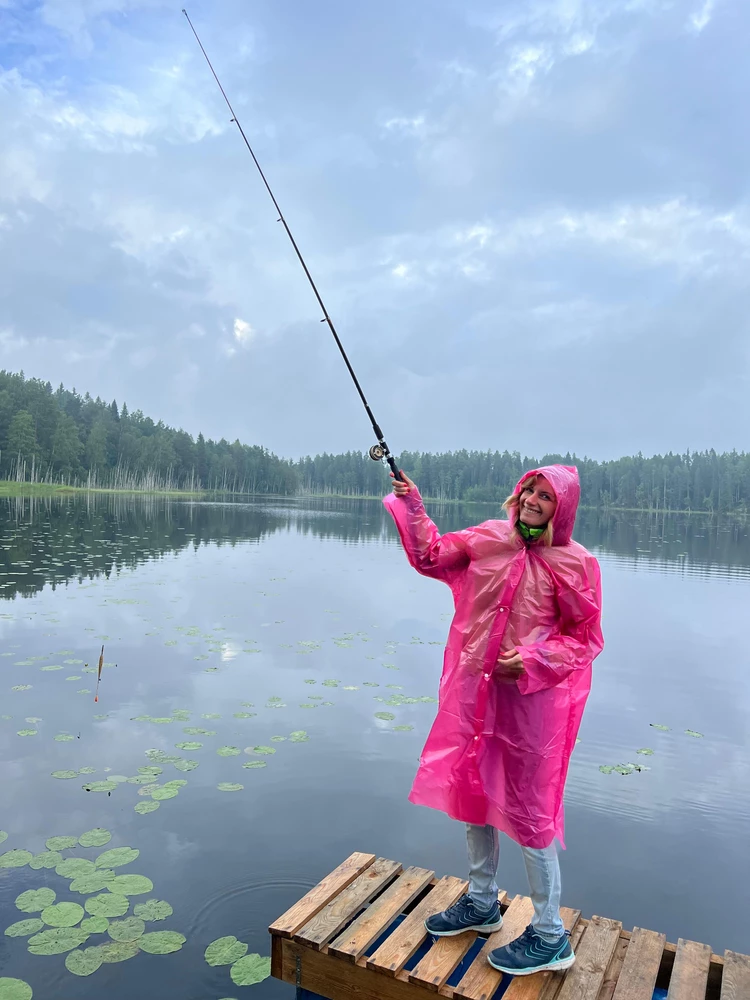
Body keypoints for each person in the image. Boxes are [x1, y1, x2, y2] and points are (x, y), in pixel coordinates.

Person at [383, 464, 603, 976]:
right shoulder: (488, 539)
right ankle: (482, 903)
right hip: (475, 697)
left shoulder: (576, 563)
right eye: (529, 489)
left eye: (545, 497)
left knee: (531, 813)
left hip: (532, 708)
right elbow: (431, 555)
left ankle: (550, 934)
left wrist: (531, 661)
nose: (531, 500)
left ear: (561, 509)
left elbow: (586, 638)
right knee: (475, 794)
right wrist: (414, 505)